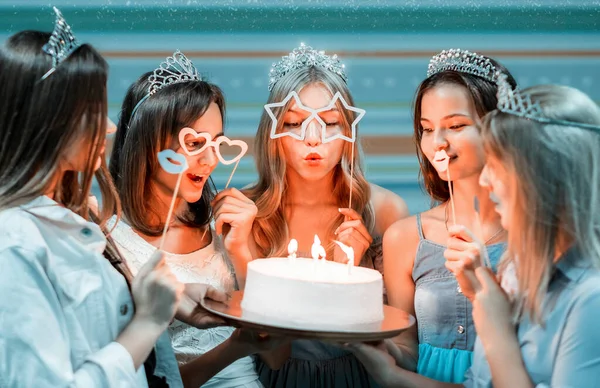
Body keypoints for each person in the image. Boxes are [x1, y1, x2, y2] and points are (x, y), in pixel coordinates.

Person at [347, 79, 600, 387]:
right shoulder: (513, 274)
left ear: (542, 178)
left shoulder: (589, 299)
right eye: (426, 128)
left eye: (500, 165)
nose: (487, 182)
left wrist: (493, 324)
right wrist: (390, 373)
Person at [0, 13, 192, 387]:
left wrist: (161, 301)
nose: (110, 127)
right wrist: (148, 321)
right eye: (94, 113)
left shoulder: (68, 214)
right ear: (50, 120)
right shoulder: (13, 245)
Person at [109, 51, 279, 387]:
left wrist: (243, 252)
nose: (210, 160)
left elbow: (277, 355)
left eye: (216, 143)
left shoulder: (229, 226)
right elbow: (134, 378)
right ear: (150, 142)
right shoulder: (109, 244)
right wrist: (232, 349)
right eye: (196, 143)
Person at [245, 43, 409, 388]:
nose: (313, 139)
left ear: (349, 130)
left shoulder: (384, 210)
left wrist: (350, 273)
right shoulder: (251, 213)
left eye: (330, 123)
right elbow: (252, 339)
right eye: (294, 122)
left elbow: (404, 345)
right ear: (272, 133)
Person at [381, 49, 515, 383]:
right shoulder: (404, 238)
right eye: (427, 129)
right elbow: (406, 349)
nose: (437, 142)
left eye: (455, 125)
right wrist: (363, 342)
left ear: (499, 126)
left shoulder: (532, 234)